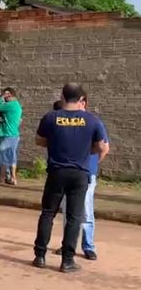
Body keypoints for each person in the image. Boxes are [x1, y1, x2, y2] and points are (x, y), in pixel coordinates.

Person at [32, 83, 106, 273]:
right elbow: (101, 146)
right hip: (80, 174)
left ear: (62, 96)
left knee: (48, 213)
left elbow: (39, 141)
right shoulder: (92, 120)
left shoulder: (50, 117)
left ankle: (40, 256)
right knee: (74, 217)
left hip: (57, 172)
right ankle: (67, 261)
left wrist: (56, 143)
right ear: (81, 99)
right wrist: (84, 150)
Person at [54, 93, 109, 261]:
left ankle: (88, 246)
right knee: (68, 211)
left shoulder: (93, 122)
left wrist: (91, 165)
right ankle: (67, 245)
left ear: (83, 103)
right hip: (67, 173)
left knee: (85, 210)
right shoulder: (66, 122)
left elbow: (104, 148)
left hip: (86, 174)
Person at [0, 87, 23, 186]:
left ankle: (1, 178)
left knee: (4, 156)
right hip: (13, 134)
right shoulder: (16, 105)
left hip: (8, 134)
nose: (4, 97)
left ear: (8, 94)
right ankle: (13, 179)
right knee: (11, 157)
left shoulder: (11, 105)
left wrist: (0, 98)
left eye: (5, 95)